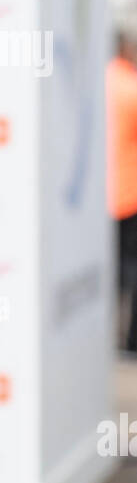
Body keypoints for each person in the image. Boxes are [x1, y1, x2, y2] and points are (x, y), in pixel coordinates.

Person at [108, 27, 137, 352]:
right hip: (129, 194)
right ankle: (130, 341)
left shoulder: (99, 83)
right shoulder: (131, 88)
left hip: (96, 199)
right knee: (130, 273)